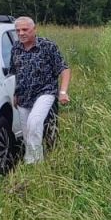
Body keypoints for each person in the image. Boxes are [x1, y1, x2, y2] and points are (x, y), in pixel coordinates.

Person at [10, 16, 70, 164]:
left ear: (34, 29)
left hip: (45, 92)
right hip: (24, 96)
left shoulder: (47, 46)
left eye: (25, 29)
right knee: (27, 132)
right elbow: (15, 72)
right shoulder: (16, 48)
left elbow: (64, 69)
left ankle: (34, 162)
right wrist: (15, 94)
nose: (21, 33)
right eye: (18, 30)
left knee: (34, 122)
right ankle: (34, 162)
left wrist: (63, 92)